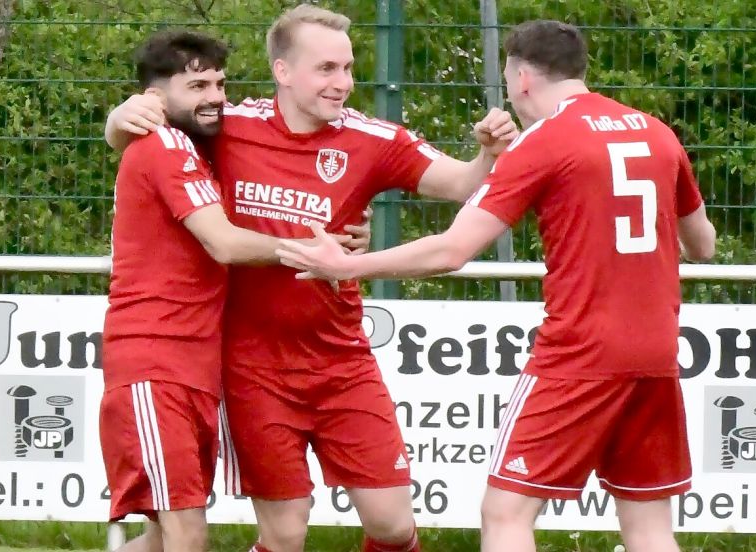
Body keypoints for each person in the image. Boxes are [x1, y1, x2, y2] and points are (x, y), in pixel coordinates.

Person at [276, 20, 717, 552]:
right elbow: (704, 245)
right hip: (656, 352)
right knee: (648, 526)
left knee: (505, 513)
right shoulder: (656, 132)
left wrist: (345, 267)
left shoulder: (546, 140)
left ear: (522, 78)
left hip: (582, 352)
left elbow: (452, 250)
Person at [105, 5, 518, 552]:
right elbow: (154, 143)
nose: (342, 83)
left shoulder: (375, 139)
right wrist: (120, 117)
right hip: (252, 367)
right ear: (282, 71)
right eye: (326, 69)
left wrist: (488, 153)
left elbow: (464, 184)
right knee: (282, 532)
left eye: (347, 68)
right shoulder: (227, 124)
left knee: (392, 525)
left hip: (339, 358)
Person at [100, 30, 364, 552]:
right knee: (185, 533)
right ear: (153, 98)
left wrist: (339, 229)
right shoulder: (166, 142)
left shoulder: (199, 144)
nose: (215, 96)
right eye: (197, 84)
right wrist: (318, 249)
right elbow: (223, 242)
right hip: (156, 363)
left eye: (220, 82)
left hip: (195, 364)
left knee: (158, 539)